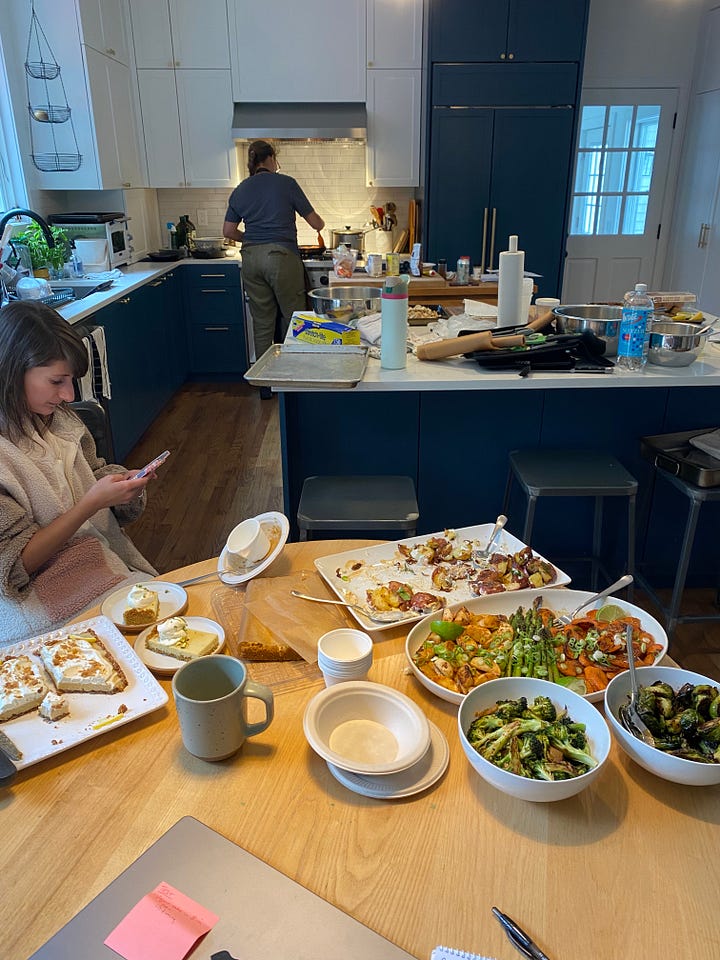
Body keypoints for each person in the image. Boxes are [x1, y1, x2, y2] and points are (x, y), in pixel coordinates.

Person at [0, 300, 158, 644]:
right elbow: (12, 569)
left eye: (71, 381)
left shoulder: (60, 421)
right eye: (57, 381)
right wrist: (89, 504)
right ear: (12, 372)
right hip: (34, 608)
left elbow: (94, 472)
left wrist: (120, 487)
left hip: (96, 567)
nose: (69, 395)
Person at [223, 139, 325, 362]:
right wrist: (321, 223)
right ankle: (293, 380)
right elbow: (316, 223)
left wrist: (249, 238)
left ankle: (265, 384)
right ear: (270, 158)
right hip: (280, 257)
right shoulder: (286, 183)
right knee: (293, 318)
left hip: (250, 258)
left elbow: (229, 231)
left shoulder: (240, 189)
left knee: (262, 323)